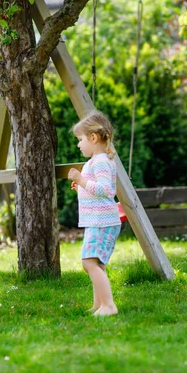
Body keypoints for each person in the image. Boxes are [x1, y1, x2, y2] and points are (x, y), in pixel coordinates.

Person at [68, 111, 122, 316]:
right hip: (99, 221)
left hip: (102, 222)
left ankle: (108, 305)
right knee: (97, 263)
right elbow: (97, 189)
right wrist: (81, 187)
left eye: (80, 139)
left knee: (88, 262)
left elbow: (107, 190)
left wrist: (82, 180)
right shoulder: (96, 161)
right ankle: (99, 304)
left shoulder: (99, 161)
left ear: (93, 137)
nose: (78, 144)